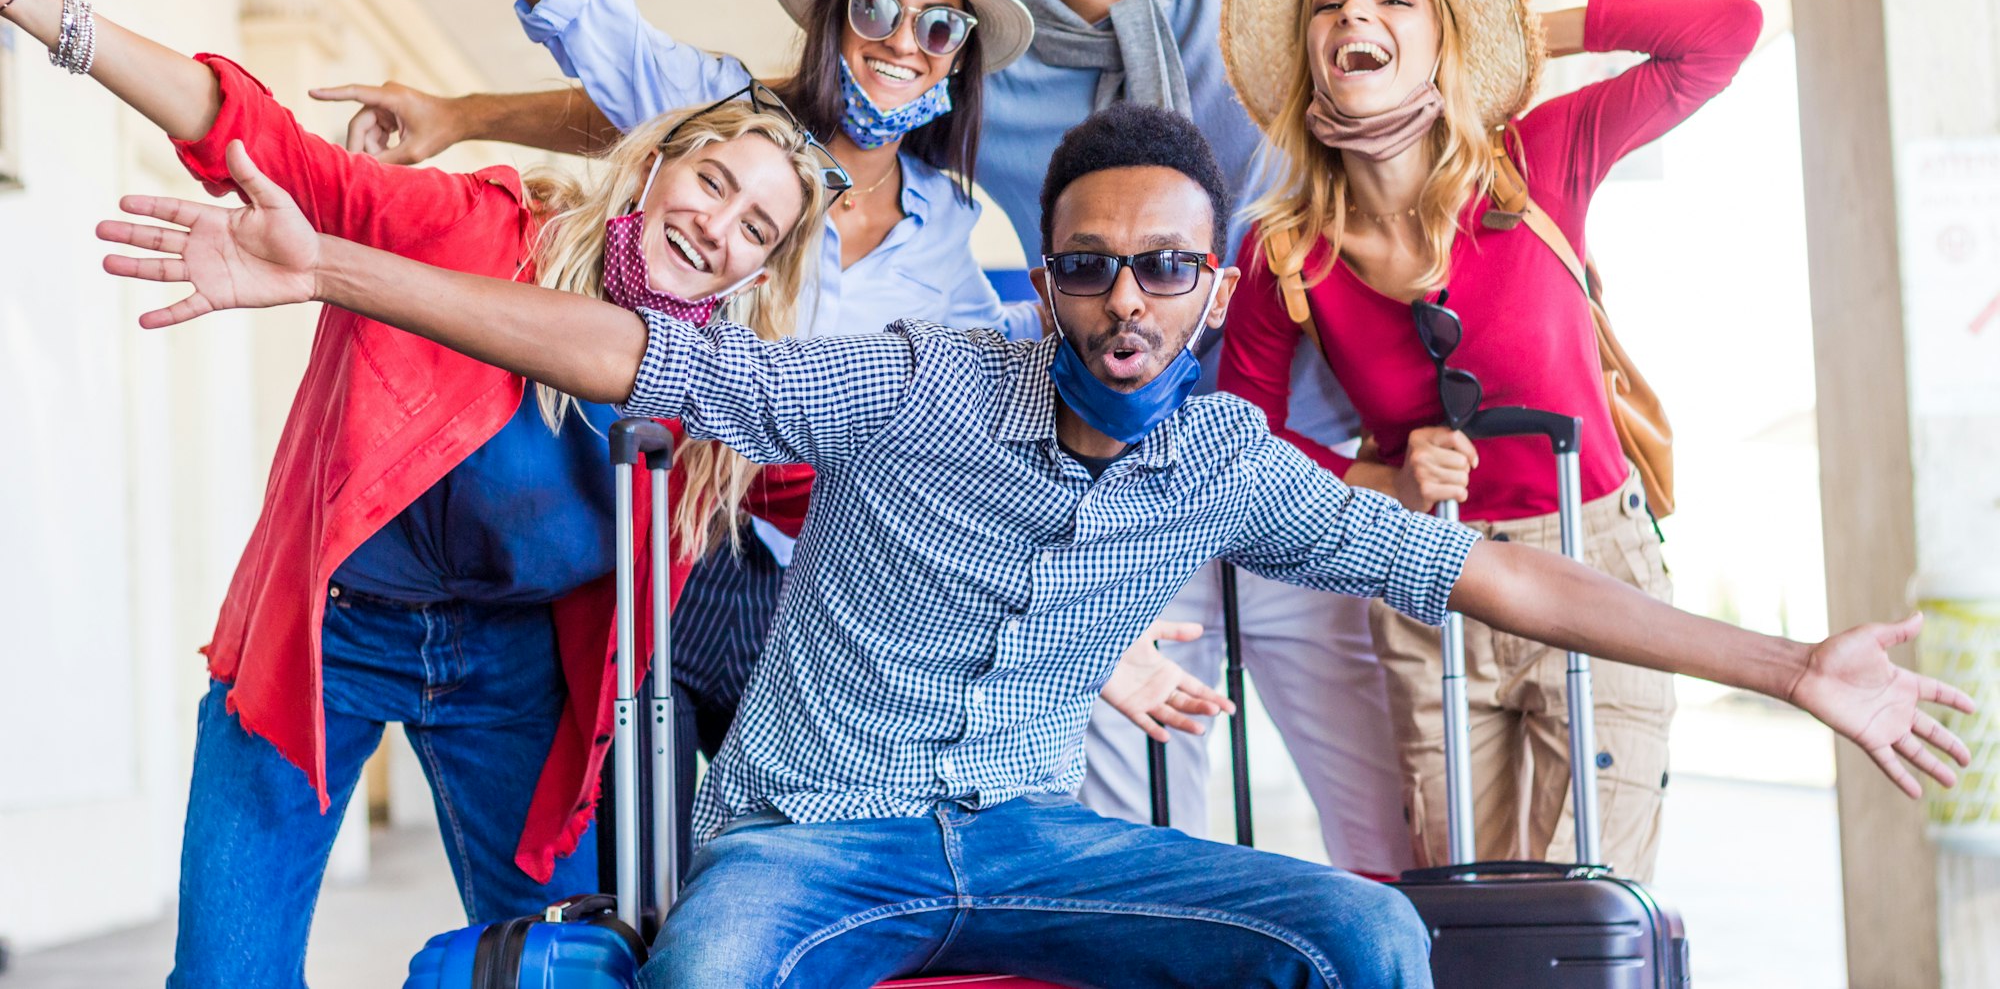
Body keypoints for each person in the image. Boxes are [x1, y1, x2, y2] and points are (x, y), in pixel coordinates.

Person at [100, 101, 1971, 989]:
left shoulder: (1231, 460)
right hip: (809, 847)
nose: (1132, 300)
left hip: (1035, 837)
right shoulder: (919, 382)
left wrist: (1790, 667)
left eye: (1168, 267)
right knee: (696, 981)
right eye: (1092, 267)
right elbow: (635, 349)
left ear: (1208, 282)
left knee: (1362, 932)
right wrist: (335, 265)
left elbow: (1494, 571)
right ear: (1048, 281)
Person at [270, 0, 1453, 863]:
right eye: (873, 10)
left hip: (1217, 441)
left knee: (1297, 783)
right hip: (725, 551)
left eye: (934, 28)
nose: (899, 42)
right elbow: (583, 19)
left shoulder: (959, 222)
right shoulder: (752, 135)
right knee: (720, 850)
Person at [0, 0, 835, 984]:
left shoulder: (727, 395)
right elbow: (270, 150)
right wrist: (46, 9)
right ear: (654, 164)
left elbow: (890, 491)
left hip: (518, 674)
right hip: (331, 631)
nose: (716, 226)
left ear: (765, 266)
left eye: (755, 228)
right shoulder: (479, 228)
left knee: (568, 971)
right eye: (712, 181)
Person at [1215, 0, 1766, 879]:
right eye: (1329, 7)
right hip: (1427, 574)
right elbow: (1231, 442)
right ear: (1310, 61)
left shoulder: (1536, 159)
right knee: (1467, 902)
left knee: (1586, 905)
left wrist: (1511, 30)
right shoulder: (1287, 251)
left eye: (1394, 1)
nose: (1355, 16)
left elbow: (1722, 33)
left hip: (1592, 555)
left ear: (1437, 46)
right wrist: (1369, 479)